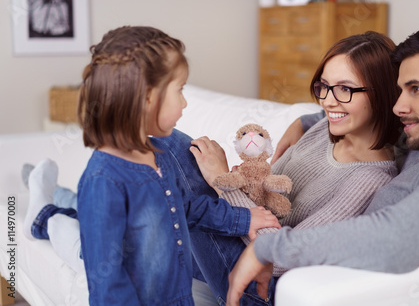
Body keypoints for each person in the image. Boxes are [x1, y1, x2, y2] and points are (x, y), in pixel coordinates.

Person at [225, 23, 419, 305]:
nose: (398, 106)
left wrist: (268, 248)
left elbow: (398, 238)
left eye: (416, 89)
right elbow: (372, 115)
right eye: (400, 90)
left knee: (178, 154)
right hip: (294, 279)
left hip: (289, 285)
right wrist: (305, 121)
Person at [22, 26, 281, 306]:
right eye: (179, 91)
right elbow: (106, 282)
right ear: (147, 97)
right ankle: (48, 217)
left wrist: (243, 219)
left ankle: (49, 207)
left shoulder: (157, 157)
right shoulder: (102, 180)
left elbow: (186, 208)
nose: (184, 103)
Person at [188, 31, 402, 305]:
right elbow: (265, 197)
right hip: (238, 244)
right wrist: (234, 180)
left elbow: (281, 257)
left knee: (178, 156)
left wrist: (220, 181)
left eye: (345, 89)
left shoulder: (370, 180)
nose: (327, 101)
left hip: (261, 282)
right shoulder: (322, 128)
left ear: (382, 93)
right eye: (323, 86)